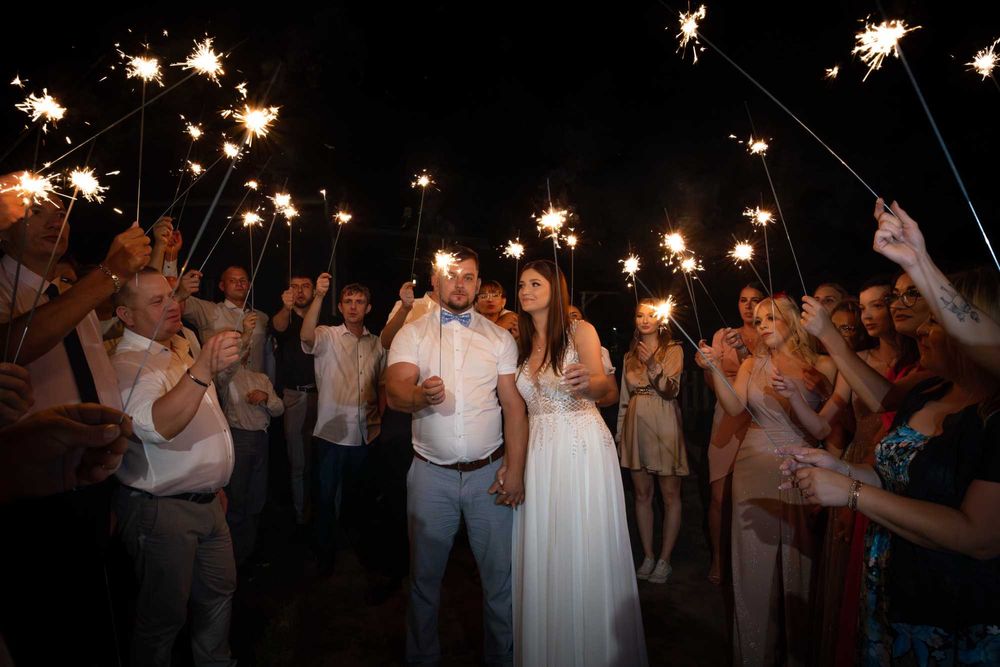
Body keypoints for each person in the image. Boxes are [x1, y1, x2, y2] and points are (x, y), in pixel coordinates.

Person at [781, 267, 1000, 666]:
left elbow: (979, 537)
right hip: (889, 589)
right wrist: (839, 468)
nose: (921, 329)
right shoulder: (925, 393)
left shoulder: (992, 417)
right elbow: (891, 475)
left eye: (935, 320)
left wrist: (851, 492)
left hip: (950, 612)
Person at [0, 178, 151, 666]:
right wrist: (109, 272)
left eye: (61, 210)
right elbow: (14, 345)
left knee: (103, 623)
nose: (55, 219)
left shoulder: (69, 294)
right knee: (50, 631)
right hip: (31, 500)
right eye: (35, 210)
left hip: (93, 485)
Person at [385, 246, 527, 667]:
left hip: (489, 476)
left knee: (499, 581)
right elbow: (396, 391)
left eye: (468, 276)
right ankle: (422, 658)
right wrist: (419, 395)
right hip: (431, 477)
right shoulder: (413, 333)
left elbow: (513, 407)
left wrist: (516, 470)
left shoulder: (500, 338)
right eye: (452, 275)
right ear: (435, 280)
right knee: (424, 581)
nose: (460, 283)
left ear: (479, 284)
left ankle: (502, 658)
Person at [513, 259, 647, 666]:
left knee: (580, 539)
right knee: (547, 545)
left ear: (555, 289)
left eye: (535, 284)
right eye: (522, 284)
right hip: (539, 451)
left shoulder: (580, 331)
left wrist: (589, 383)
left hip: (581, 445)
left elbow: (605, 387)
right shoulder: (519, 342)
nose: (525, 291)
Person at [110, 268, 241, 667]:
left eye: (171, 295)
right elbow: (153, 427)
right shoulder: (128, 363)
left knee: (218, 594)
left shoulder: (180, 346)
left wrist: (212, 484)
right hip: (162, 511)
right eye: (157, 301)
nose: (172, 304)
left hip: (208, 504)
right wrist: (203, 369)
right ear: (126, 315)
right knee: (162, 616)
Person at [701, 294, 835, 666]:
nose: (761, 326)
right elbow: (734, 406)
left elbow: (825, 429)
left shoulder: (822, 364)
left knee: (799, 562)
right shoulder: (752, 363)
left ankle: (799, 654)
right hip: (752, 465)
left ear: (792, 320)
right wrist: (715, 368)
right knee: (752, 563)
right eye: (758, 320)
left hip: (802, 466)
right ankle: (753, 655)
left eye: (770, 318)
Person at [301, 275, 386, 572]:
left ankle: (354, 552)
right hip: (331, 433)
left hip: (364, 434)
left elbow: (381, 385)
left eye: (359, 302)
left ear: (368, 307)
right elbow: (306, 337)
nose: (353, 306)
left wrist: (379, 421)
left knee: (358, 498)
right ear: (339, 306)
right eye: (347, 301)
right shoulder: (328, 335)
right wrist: (319, 296)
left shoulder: (377, 343)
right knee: (325, 498)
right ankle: (324, 556)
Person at [872, 198, 1000, 380]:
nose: (921, 329)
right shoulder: (924, 383)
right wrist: (917, 261)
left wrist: (919, 262)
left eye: (936, 320)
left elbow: (985, 341)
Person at [694, 282, 762, 585]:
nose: (748, 306)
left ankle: (751, 561)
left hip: (759, 416)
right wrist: (708, 366)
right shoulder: (723, 335)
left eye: (755, 300)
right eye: (743, 300)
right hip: (726, 416)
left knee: (753, 496)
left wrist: (746, 350)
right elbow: (713, 385)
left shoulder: (771, 333)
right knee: (719, 497)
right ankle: (719, 559)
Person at [616, 299, 688, 584]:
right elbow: (624, 400)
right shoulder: (628, 355)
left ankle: (665, 559)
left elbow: (671, 391)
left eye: (650, 315)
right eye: (639, 315)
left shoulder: (674, 350)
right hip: (636, 426)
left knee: (670, 495)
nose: (644, 320)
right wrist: (620, 436)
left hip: (664, 422)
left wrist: (652, 364)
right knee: (642, 495)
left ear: (660, 320)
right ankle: (647, 555)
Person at [221, 354, 285, 566]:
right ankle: (233, 554)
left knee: (256, 495)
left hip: (261, 438)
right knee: (237, 495)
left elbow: (279, 409)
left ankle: (248, 550)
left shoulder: (261, 377)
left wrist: (266, 397)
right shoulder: (227, 376)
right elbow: (224, 376)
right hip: (239, 437)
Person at [271, 273, 320, 525]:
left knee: (319, 459)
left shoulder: (324, 318)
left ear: (314, 290)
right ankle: (301, 516)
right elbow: (277, 327)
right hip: (294, 396)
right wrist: (285, 308)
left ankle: (320, 513)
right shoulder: (285, 317)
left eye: (305, 286)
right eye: (294, 287)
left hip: (322, 397)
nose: (300, 291)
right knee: (298, 461)